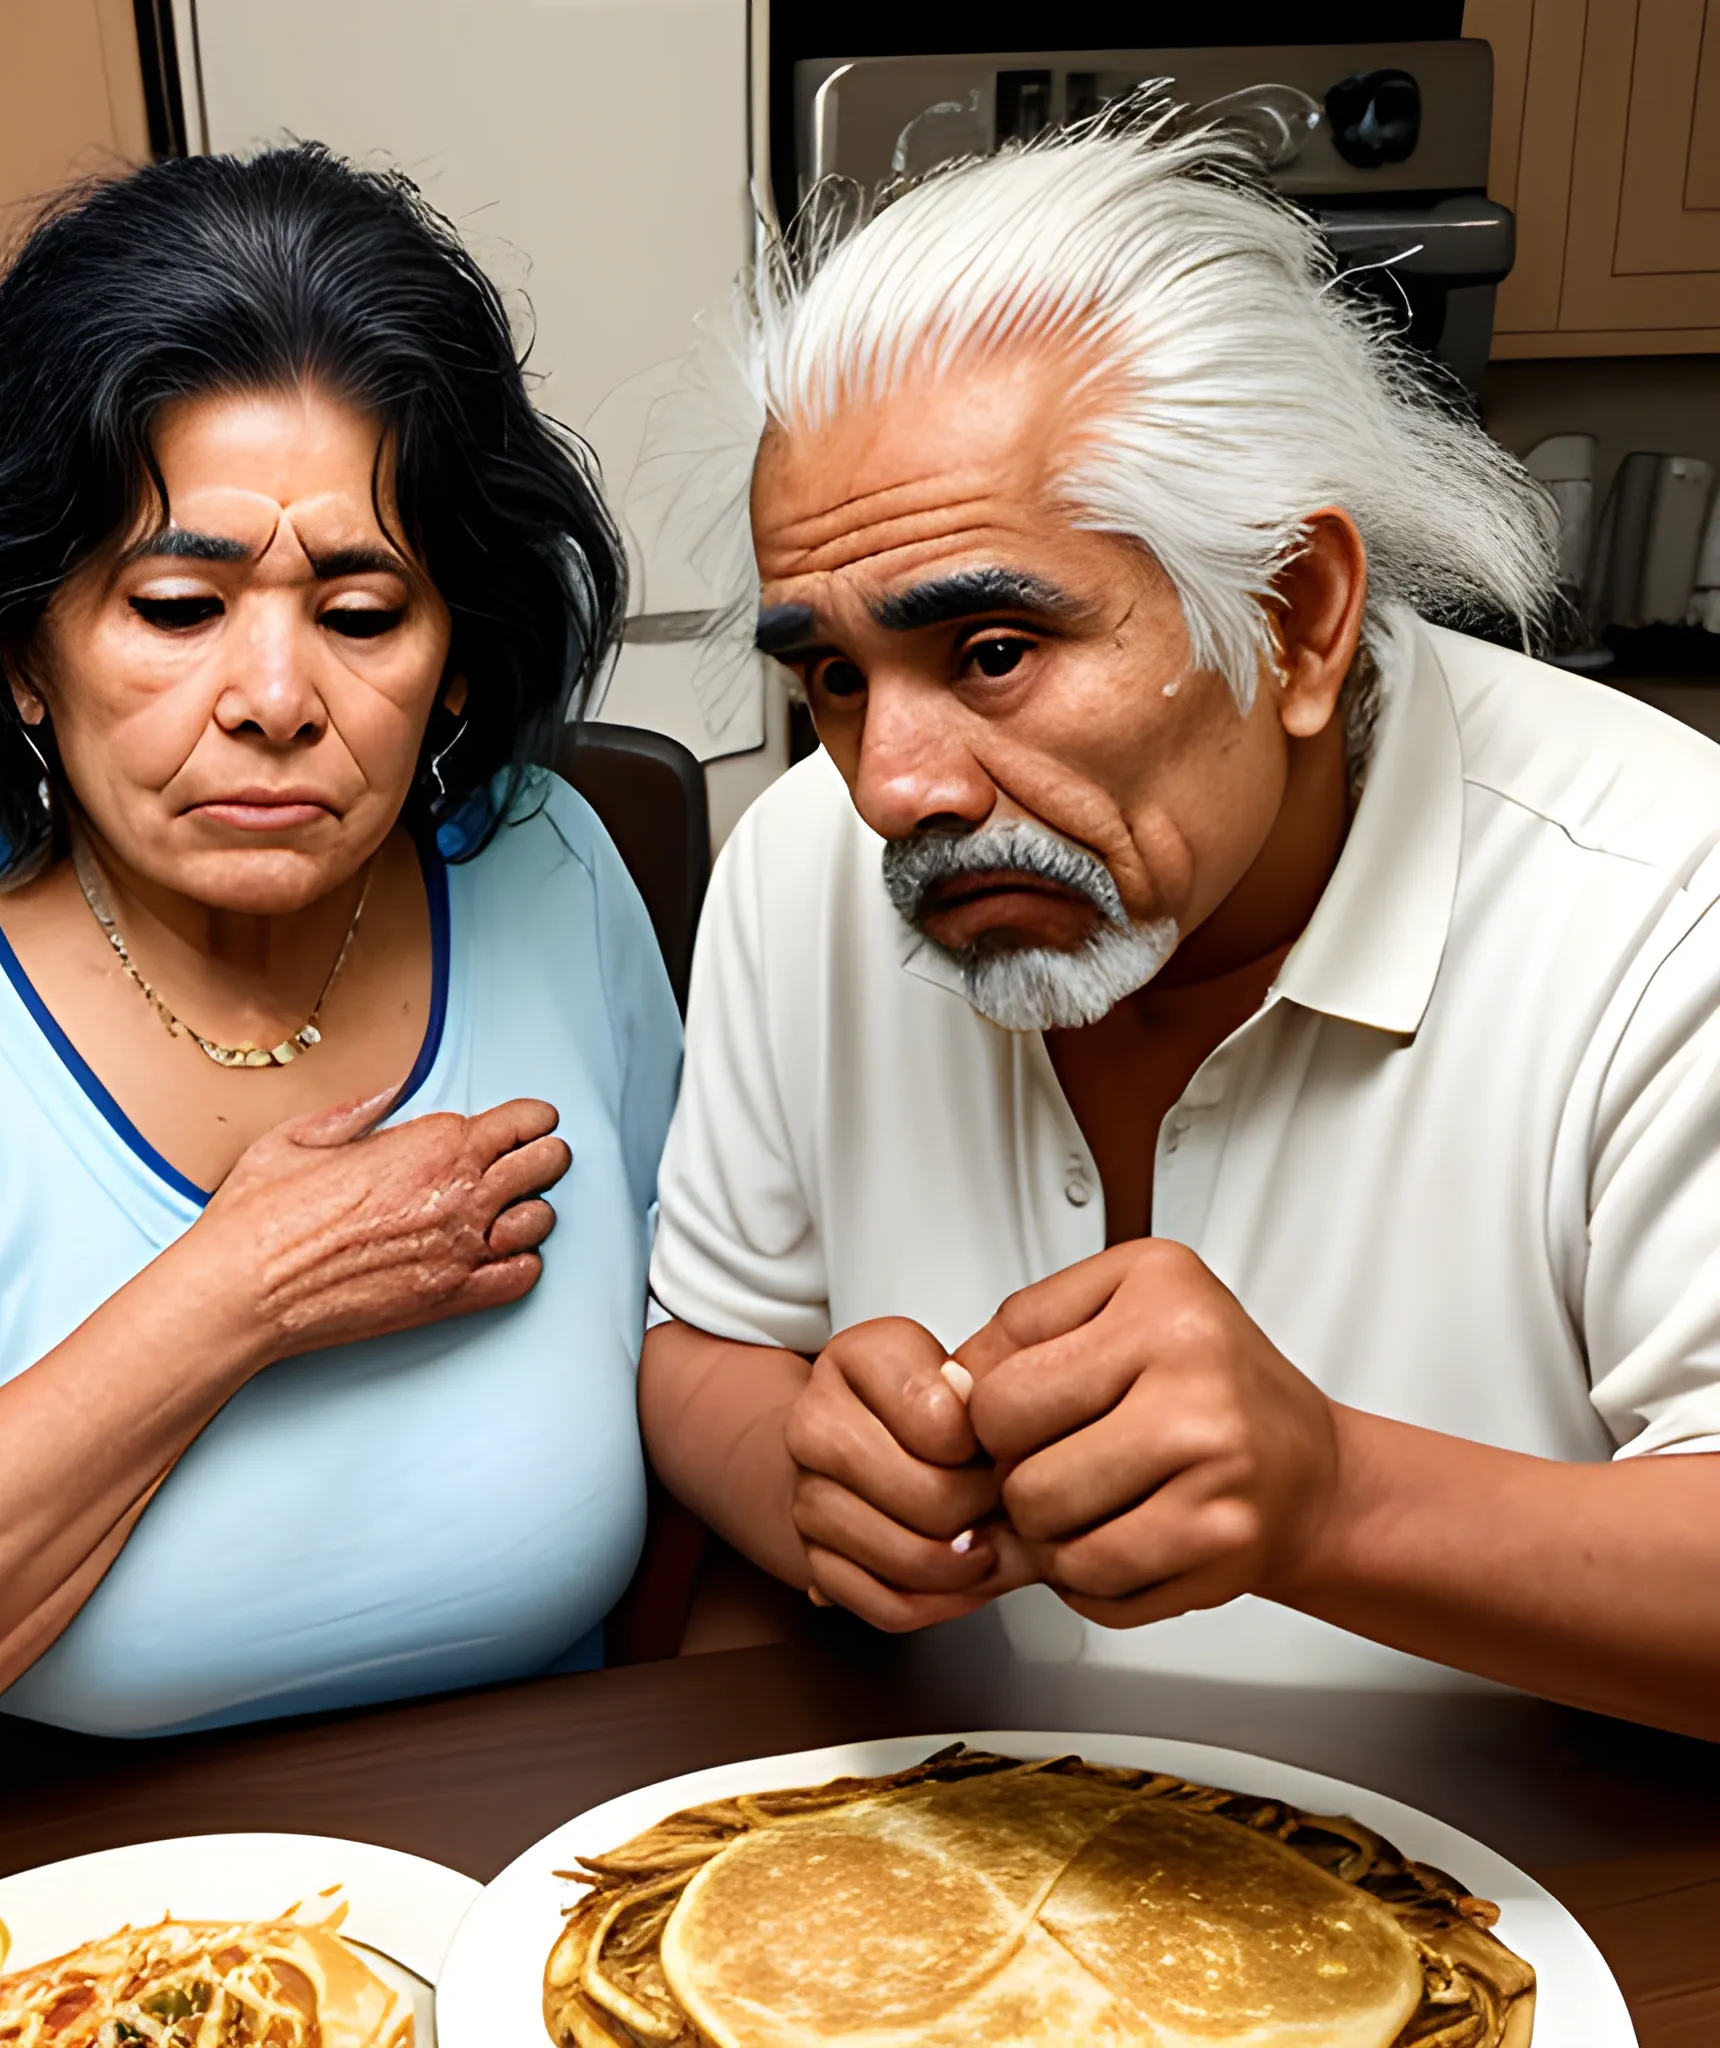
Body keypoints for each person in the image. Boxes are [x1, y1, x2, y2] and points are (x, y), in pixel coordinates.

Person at [641, 118, 1720, 1735]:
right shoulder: (799, 863)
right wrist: (815, 1479)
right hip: (965, 1868)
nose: (894, 787)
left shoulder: (1661, 900)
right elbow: (709, 1347)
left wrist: (1334, 1497)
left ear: (1293, 618)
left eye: (995, 650)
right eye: (838, 679)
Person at [0, 145, 679, 1837]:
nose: (276, 697)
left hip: (556, 1874)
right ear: (20, 646)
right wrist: (248, 1292)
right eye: (177, 604)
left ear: (453, 658)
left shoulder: (552, 871)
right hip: (56, 1918)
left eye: (363, 611)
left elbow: (689, 1390)